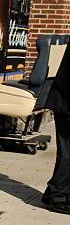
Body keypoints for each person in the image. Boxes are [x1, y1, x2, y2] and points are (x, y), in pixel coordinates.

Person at [42, 41, 70, 214]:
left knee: (67, 152)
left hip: (64, 100)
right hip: (66, 103)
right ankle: (58, 196)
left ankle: (53, 192)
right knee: (68, 153)